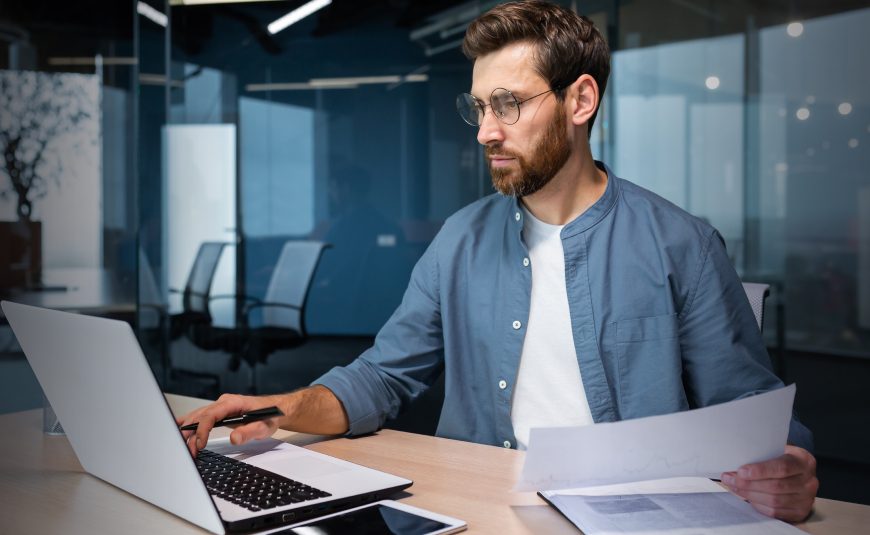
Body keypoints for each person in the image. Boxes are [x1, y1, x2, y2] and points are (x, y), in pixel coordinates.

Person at [178, 0, 818, 522]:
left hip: (626, 517)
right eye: (480, 107)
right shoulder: (459, 239)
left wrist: (789, 464)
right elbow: (382, 378)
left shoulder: (682, 243)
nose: (486, 131)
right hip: (477, 505)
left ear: (580, 100)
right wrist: (271, 408)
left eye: (508, 104)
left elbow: (752, 413)